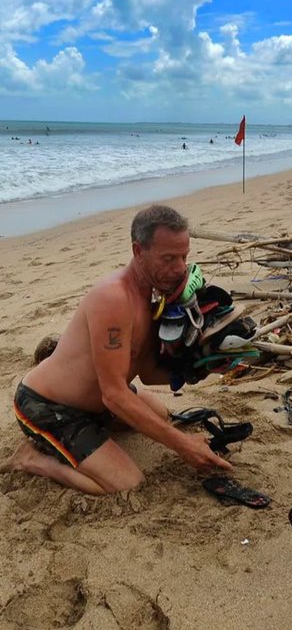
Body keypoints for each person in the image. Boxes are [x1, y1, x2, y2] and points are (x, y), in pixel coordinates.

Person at [1, 205, 232, 495]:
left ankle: (93, 441)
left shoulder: (156, 296)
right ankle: (32, 459)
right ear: (138, 252)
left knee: (160, 416)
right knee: (126, 484)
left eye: (184, 256)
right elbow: (114, 394)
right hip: (49, 406)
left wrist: (200, 366)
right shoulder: (114, 299)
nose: (180, 268)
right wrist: (183, 445)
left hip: (101, 401)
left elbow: (147, 373)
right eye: (168, 258)